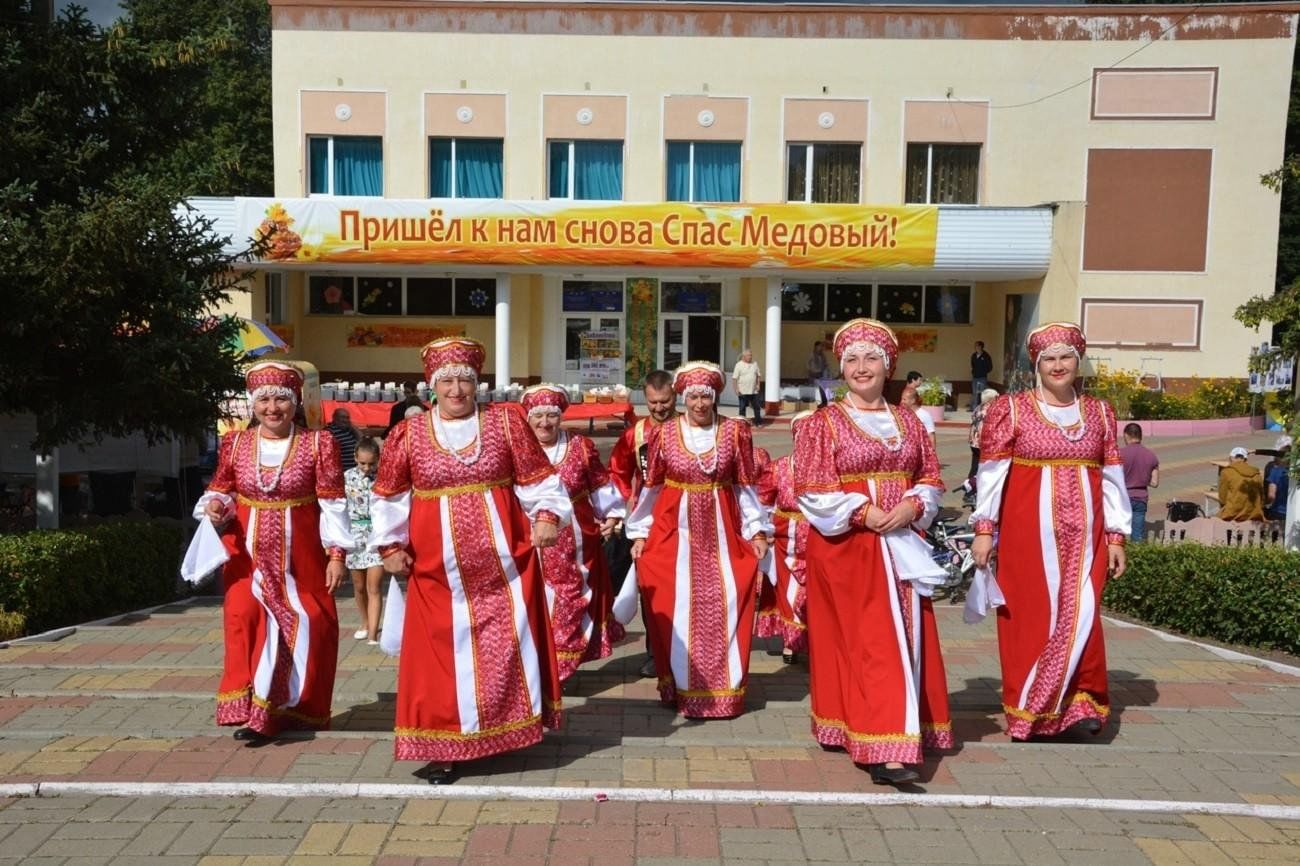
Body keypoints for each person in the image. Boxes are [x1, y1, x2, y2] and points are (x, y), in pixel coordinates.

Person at [369, 337, 571, 785]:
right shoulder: (410, 433)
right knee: (439, 654)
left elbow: (540, 480)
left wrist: (547, 516)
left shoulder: (505, 424)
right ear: (431, 387)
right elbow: (388, 496)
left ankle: (504, 733)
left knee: (506, 648)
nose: (457, 389)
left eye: (465, 379)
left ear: (477, 384)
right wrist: (390, 545)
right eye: (448, 381)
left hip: (505, 567)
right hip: (435, 571)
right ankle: (444, 746)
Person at [794, 319, 952, 786]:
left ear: (889, 367)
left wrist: (914, 504)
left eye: (872, 359)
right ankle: (880, 744)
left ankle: (891, 730)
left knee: (903, 637)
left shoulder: (910, 422)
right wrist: (864, 512)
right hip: (850, 548)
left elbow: (931, 477)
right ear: (842, 369)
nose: (862, 368)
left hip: (902, 543)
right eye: (853, 360)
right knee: (867, 642)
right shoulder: (822, 424)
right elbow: (811, 489)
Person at [970, 322, 1131, 741]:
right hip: (1028, 538)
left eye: (1066, 358)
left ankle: (1081, 704)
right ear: (1036, 365)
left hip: (1086, 539)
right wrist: (985, 530)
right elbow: (991, 475)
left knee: (1083, 613)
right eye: (1049, 359)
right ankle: (1033, 710)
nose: (1058, 366)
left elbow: (1112, 476)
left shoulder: (1098, 412)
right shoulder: (1013, 409)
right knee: (1030, 618)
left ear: (1078, 363)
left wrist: (1116, 536)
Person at [196, 361, 350, 743]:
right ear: (252, 404)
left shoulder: (319, 444)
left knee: (307, 625)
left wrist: (336, 554)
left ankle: (292, 708)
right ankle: (257, 711)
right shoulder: (237, 444)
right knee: (248, 620)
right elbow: (222, 488)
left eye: (280, 399)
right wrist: (216, 505)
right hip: (247, 560)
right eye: (263, 400)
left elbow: (333, 503)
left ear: (295, 402)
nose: (272, 408)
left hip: (302, 560)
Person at [627, 361, 772, 718]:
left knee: (726, 603)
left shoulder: (736, 432)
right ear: (683, 397)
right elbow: (653, 487)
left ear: (715, 397)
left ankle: (725, 691)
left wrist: (756, 529)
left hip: (723, 533)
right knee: (678, 607)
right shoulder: (663, 435)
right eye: (692, 396)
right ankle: (680, 685)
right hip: (675, 534)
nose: (699, 404)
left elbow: (744, 486)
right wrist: (640, 532)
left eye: (706, 397)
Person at [521, 384, 626, 685]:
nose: (545, 423)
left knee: (571, 599)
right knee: (535, 601)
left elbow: (598, 483)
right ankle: (539, 666)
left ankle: (557, 670)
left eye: (551, 416)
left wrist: (613, 513)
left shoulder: (580, 447)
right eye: (538, 416)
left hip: (576, 540)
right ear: (528, 418)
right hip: (530, 541)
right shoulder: (518, 450)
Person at [607, 370, 677, 679]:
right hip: (641, 523)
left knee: (666, 590)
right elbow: (618, 472)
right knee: (630, 581)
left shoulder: (687, 429)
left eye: (665, 401)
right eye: (653, 403)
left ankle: (664, 652)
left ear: (675, 397)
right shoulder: (634, 434)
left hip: (677, 520)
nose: (660, 408)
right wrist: (626, 503)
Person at [756, 411, 814, 663]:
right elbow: (762, 500)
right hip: (785, 541)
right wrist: (762, 531)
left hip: (819, 539)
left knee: (813, 593)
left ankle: (814, 641)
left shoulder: (832, 469)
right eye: (801, 436)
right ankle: (791, 643)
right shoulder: (779, 467)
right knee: (788, 592)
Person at [344, 437, 385, 644]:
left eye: (371, 463)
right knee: (359, 586)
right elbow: (338, 509)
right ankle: (365, 622)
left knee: (374, 586)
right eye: (362, 463)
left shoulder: (384, 477)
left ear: (378, 459)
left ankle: (373, 634)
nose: (367, 468)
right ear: (355, 458)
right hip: (354, 536)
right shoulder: (346, 477)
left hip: (376, 535)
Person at [1120, 424, 1159, 542]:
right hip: (1141, 498)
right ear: (1140, 436)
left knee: (1117, 534)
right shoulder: (1151, 455)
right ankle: (1136, 557)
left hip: (1122, 498)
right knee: (1137, 536)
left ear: (1126, 435)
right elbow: (1155, 483)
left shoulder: (1119, 454)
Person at [961, 388, 999, 504]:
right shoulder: (991, 410)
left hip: (974, 442)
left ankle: (969, 491)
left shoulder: (978, 408)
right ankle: (975, 492)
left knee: (975, 467)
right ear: (992, 399)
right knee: (984, 468)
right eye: (997, 397)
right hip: (983, 443)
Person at [1217, 446, 1266, 521]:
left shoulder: (1226, 472)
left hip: (1232, 515)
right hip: (1254, 515)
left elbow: (1222, 498)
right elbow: (1262, 499)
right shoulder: (1257, 474)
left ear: (1231, 458)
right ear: (1245, 460)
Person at [732, 348, 764, 426]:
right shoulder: (738, 365)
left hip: (753, 391)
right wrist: (736, 389)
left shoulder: (755, 364)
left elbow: (758, 375)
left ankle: (758, 422)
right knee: (742, 408)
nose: (750, 357)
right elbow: (734, 378)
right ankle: (742, 424)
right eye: (749, 355)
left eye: (751, 355)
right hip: (742, 391)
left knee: (757, 407)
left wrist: (758, 385)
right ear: (744, 356)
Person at [899, 384, 937, 449]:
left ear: (913, 401)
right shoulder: (902, 413)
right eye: (901, 399)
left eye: (904, 399)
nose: (901, 402)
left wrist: (931, 453)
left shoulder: (924, 415)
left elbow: (931, 437)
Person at [1265, 435, 1292, 523]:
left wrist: (1266, 503)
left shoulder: (1275, 471)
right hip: (1294, 512)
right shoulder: (1296, 473)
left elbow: (1271, 495)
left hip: (1278, 512)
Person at [970, 341, 994, 409]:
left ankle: (981, 408)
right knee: (975, 393)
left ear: (981, 346)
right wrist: (973, 371)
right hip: (975, 377)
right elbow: (972, 365)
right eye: (975, 346)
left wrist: (983, 372)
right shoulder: (974, 355)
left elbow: (990, 367)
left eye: (977, 346)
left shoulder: (986, 356)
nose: (975, 347)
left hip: (982, 378)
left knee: (981, 394)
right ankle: (974, 408)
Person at [807, 340, 830, 407]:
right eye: (819, 346)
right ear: (816, 347)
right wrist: (811, 371)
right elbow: (807, 364)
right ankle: (812, 403)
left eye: (821, 346)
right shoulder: (812, 354)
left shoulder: (823, 355)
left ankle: (823, 403)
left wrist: (827, 371)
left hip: (821, 374)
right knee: (813, 389)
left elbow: (826, 364)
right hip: (813, 374)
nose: (821, 348)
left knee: (822, 388)